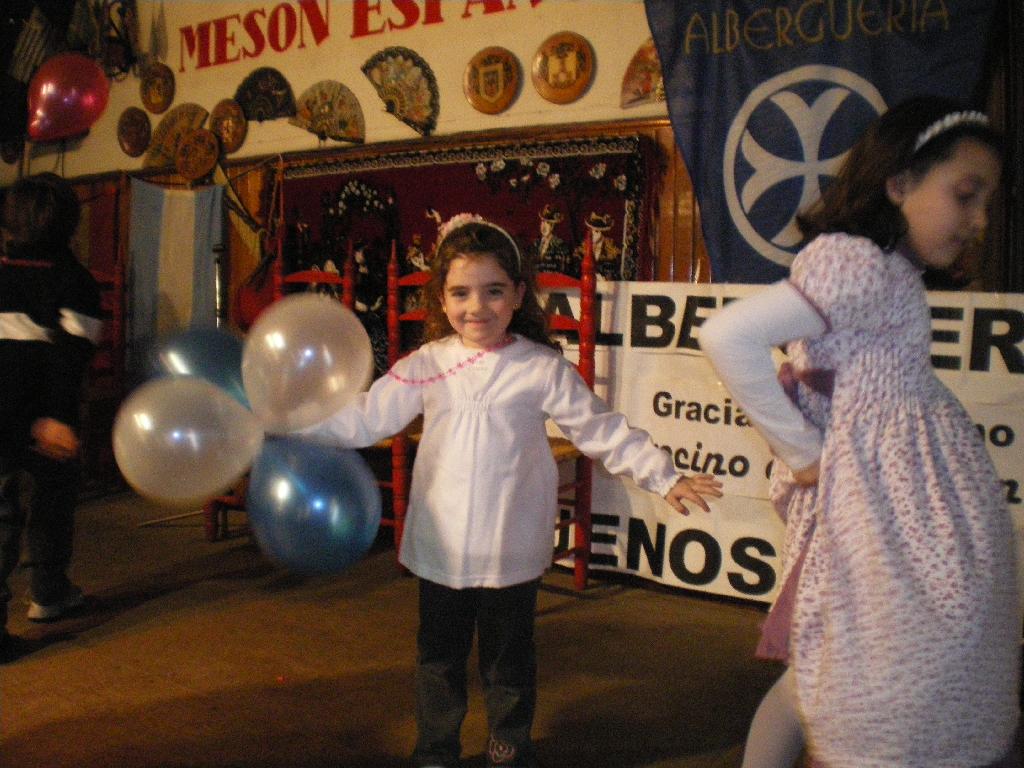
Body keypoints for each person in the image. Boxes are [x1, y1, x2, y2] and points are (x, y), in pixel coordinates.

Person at [289, 214, 722, 768]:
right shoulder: (427, 365)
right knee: (438, 657)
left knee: (508, 658)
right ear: (441, 299)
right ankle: (436, 749)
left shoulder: (541, 368)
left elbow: (600, 429)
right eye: (461, 293)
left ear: (518, 295)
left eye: (493, 291)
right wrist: (295, 420)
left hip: (509, 547)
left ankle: (509, 745)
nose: (477, 307)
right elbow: (367, 417)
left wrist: (663, 475)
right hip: (443, 547)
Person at [699, 97, 1021, 768]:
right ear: (898, 183)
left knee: (837, 661)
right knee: (890, 657)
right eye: (965, 195)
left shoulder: (889, 272)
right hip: (882, 511)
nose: (980, 221)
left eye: (987, 202)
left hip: (895, 502)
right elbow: (728, 336)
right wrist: (802, 451)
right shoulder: (860, 265)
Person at [0, 173, 102, 653]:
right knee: (51, 501)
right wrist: (57, 417)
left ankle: (49, 593)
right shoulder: (75, 281)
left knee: (3, 512)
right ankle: (48, 592)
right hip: (44, 415)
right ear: (68, 223)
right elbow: (70, 356)